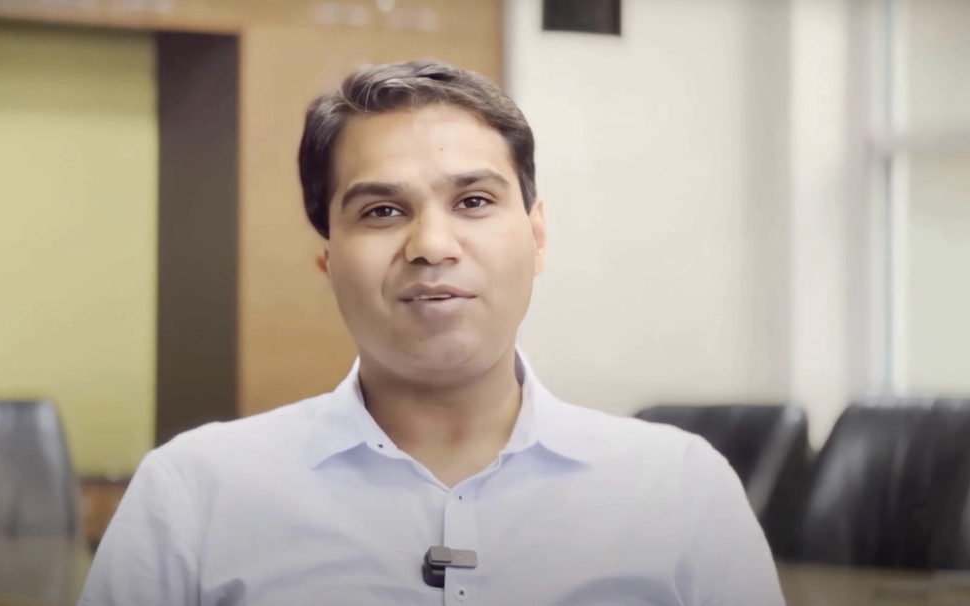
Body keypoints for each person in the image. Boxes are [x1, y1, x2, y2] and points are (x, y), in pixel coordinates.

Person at [77, 60, 785, 606]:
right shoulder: (192, 495)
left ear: (537, 237)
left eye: (473, 201)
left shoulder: (680, 491)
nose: (432, 246)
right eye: (382, 212)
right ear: (327, 260)